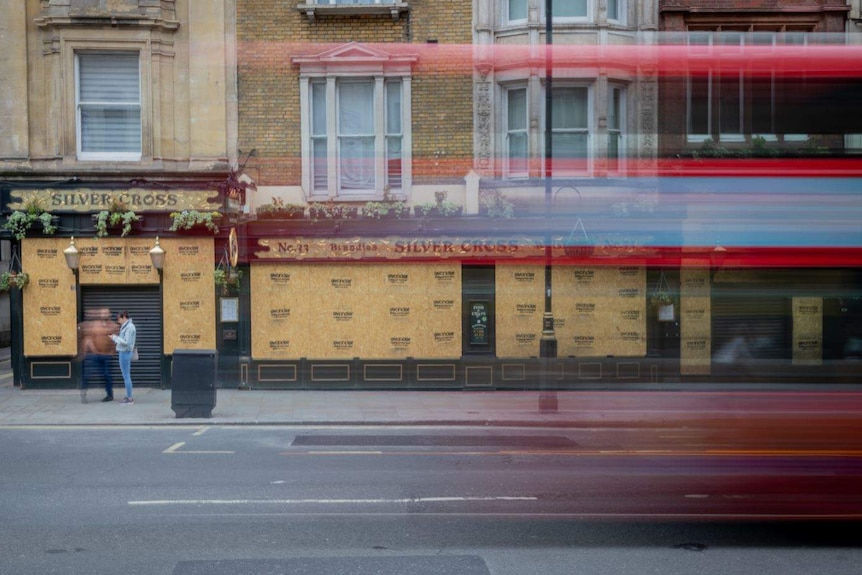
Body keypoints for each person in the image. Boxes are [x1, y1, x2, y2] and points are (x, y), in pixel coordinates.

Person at [110, 310, 137, 405]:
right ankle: (128, 396)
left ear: (124, 317)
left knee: (126, 376)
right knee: (126, 375)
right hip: (124, 352)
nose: (118, 321)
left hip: (125, 353)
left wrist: (114, 338)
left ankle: (129, 398)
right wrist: (115, 337)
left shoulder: (130, 327)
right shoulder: (125, 326)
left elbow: (126, 342)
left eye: (119, 319)